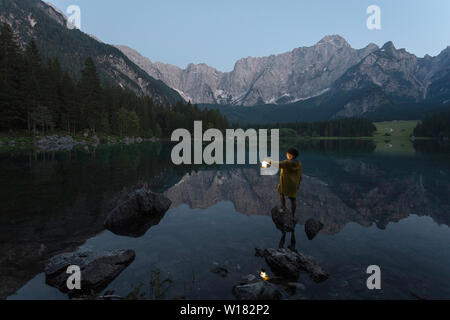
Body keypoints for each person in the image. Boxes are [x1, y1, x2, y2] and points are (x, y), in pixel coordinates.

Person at [268, 148, 302, 217]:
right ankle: (293, 215)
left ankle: (283, 209)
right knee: (293, 200)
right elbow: (300, 175)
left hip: (285, 183)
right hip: (294, 184)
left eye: (287, 154)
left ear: (290, 155)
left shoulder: (287, 163)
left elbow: (277, 164)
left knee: (282, 194)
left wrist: (268, 161)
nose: (286, 155)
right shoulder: (299, 163)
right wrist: (298, 184)